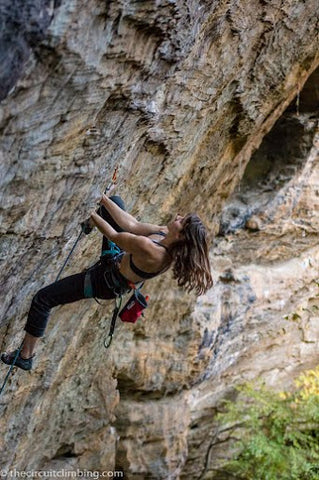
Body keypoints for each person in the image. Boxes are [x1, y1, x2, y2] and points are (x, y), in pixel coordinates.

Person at [1, 193, 213, 371]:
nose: (177, 216)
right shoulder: (164, 233)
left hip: (103, 282)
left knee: (43, 299)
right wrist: (102, 198)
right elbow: (132, 224)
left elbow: (113, 234)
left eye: (181, 221)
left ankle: (26, 356)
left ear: (181, 235)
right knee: (116, 202)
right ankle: (95, 216)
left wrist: (91, 212)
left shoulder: (154, 252)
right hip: (114, 261)